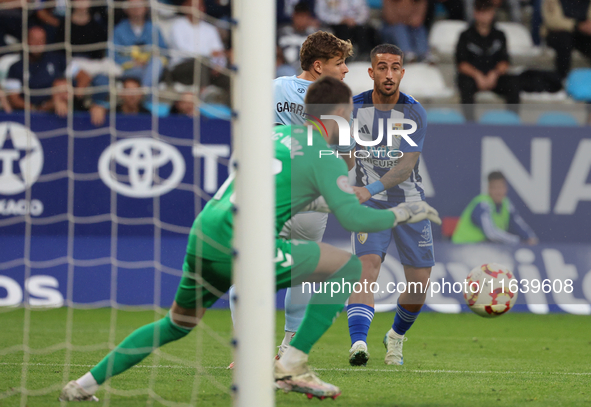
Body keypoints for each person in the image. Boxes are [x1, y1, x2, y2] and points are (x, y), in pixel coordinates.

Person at [59, 76, 441, 401]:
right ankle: (292, 363)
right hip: (243, 243)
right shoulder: (322, 154)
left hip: (206, 229)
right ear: (339, 114)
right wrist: (406, 212)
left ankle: (81, 385)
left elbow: (280, 190)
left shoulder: (273, 134)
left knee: (177, 323)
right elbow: (354, 217)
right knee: (347, 266)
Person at [227, 30, 356, 369]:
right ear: (318, 66)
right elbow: (344, 160)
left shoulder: (271, 88)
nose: (345, 71)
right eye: (339, 63)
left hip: (269, 193)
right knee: (302, 272)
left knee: (247, 272)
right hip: (312, 199)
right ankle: (287, 351)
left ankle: (245, 351)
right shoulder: (335, 99)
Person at [345, 44, 432, 367]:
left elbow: (406, 166)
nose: (389, 74)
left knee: (419, 283)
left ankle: (395, 336)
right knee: (366, 269)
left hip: (410, 204)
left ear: (402, 73)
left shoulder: (414, 112)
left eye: (395, 67)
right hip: (370, 208)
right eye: (382, 67)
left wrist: (368, 188)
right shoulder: (353, 109)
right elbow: (346, 156)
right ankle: (358, 344)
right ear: (371, 72)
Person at [455, 0, 520, 122]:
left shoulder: (499, 35)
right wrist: (477, 75)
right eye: (480, 12)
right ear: (474, 13)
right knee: (465, 84)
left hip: (493, 76)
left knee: (513, 83)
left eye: (486, 12)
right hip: (473, 77)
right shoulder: (465, 35)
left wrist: (494, 74)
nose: (483, 16)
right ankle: (470, 124)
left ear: (492, 13)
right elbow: (461, 63)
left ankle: (512, 121)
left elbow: (505, 61)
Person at [452, 171, 538, 244]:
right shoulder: (482, 203)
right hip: (464, 247)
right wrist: (517, 241)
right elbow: (491, 233)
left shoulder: (506, 204)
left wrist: (530, 238)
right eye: (494, 188)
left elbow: (518, 224)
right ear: (489, 189)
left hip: (483, 248)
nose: (498, 192)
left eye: (500, 187)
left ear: (506, 188)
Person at [5, 26, 66, 111]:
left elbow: (82, 76)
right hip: (29, 113)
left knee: (62, 84)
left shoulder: (57, 59)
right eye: (34, 39)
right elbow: (14, 99)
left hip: (55, 111)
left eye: (41, 40)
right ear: (26, 41)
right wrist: (36, 109)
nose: (38, 44)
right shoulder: (16, 67)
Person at [112, 0, 168, 88]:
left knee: (157, 63)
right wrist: (132, 63)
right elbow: (112, 55)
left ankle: (144, 89)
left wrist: (147, 60)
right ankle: (146, 90)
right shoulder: (118, 30)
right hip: (129, 70)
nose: (136, 8)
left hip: (150, 68)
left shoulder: (154, 29)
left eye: (139, 4)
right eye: (132, 4)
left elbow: (164, 52)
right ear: (126, 9)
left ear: (146, 8)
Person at [542, 0, 591, 79]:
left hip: (580, 34)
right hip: (557, 33)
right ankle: (562, 79)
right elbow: (552, 22)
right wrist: (577, 25)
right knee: (564, 42)